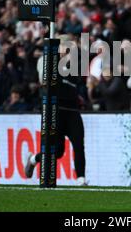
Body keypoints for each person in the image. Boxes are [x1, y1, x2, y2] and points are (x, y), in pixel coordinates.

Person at [24, 35, 86, 186]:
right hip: (56, 110)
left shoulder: (76, 65)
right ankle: (33, 160)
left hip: (72, 110)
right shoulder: (50, 63)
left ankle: (81, 179)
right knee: (56, 152)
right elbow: (43, 81)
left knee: (78, 144)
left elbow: (76, 85)